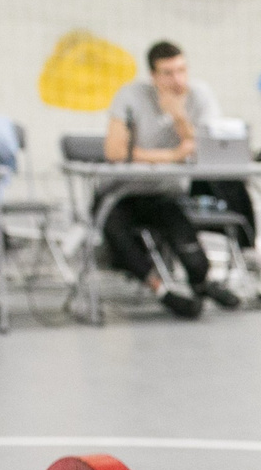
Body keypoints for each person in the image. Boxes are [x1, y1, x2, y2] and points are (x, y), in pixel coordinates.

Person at [102, 41, 241, 318]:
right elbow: (115, 152)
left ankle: (202, 284)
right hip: (121, 194)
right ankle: (163, 292)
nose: (177, 80)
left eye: (181, 70)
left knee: (193, 255)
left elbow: (204, 148)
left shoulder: (198, 96)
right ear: (153, 76)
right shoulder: (130, 96)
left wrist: (178, 116)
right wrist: (173, 154)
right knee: (117, 233)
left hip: (165, 194)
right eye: (167, 73)